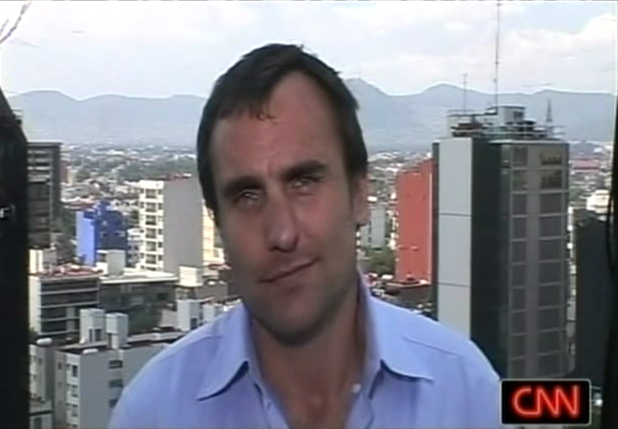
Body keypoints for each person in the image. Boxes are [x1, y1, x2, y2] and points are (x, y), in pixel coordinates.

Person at [109, 43, 501, 429]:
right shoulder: (153, 412)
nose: (283, 232)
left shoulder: (465, 391)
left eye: (304, 182)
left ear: (359, 194)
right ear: (220, 228)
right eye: (247, 196)